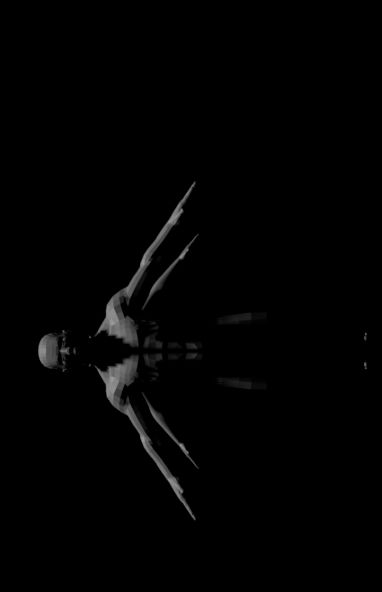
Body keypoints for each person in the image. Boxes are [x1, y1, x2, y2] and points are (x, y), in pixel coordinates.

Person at [38, 182, 267, 519]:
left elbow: (150, 264)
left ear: (65, 332)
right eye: (63, 356)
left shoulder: (117, 312)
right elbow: (151, 436)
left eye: (62, 344)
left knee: (245, 322)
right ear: (65, 369)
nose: (69, 350)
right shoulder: (117, 389)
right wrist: (176, 478)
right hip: (209, 376)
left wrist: (177, 218)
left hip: (207, 326)